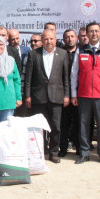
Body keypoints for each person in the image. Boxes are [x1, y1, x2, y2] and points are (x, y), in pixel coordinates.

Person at [70, 22, 100, 166]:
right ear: (87, 34)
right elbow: (74, 74)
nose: (94, 34)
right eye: (91, 31)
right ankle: (84, 153)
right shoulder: (80, 50)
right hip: (84, 95)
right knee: (83, 125)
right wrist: (74, 94)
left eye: (96, 31)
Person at [24, 29, 70, 163]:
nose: (49, 41)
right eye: (46, 39)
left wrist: (67, 95)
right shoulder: (34, 54)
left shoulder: (63, 54)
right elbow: (28, 78)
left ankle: (54, 152)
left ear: (55, 40)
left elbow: (66, 78)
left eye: (51, 39)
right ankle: (40, 151)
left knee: (56, 127)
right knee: (39, 127)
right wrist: (27, 95)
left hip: (57, 96)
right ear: (42, 41)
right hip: (38, 97)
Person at [59, 29, 79, 158]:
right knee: (63, 123)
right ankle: (63, 147)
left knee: (78, 122)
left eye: (72, 36)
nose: (70, 39)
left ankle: (79, 147)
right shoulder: (60, 53)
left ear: (76, 38)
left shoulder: (81, 52)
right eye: (67, 37)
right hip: (63, 94)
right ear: (63, 39)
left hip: (78, 94)